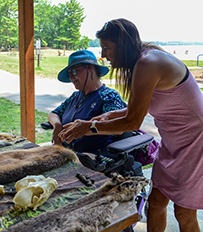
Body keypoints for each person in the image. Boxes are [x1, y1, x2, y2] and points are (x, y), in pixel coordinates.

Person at [59, 18, 203, 232]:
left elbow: (133, 122)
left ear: (123, 44)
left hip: (195, 144)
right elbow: (134, 109)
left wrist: (88, 127)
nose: (104, 55)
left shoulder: (148, 62)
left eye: (107, 48)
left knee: (183, 213)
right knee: (155, 205)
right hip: (172, 143)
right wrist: (101, 118)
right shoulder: (142, 61)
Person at [48, 50, 126, 154]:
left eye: (74, 71)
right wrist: (57, 125)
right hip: (67, 151)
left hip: (94, 155)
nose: (71, 77)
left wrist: (87, 128)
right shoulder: (76, 96)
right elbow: (54, 113)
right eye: (69, 74)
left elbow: (118, 128)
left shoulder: (108, 96)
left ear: (90, 68)